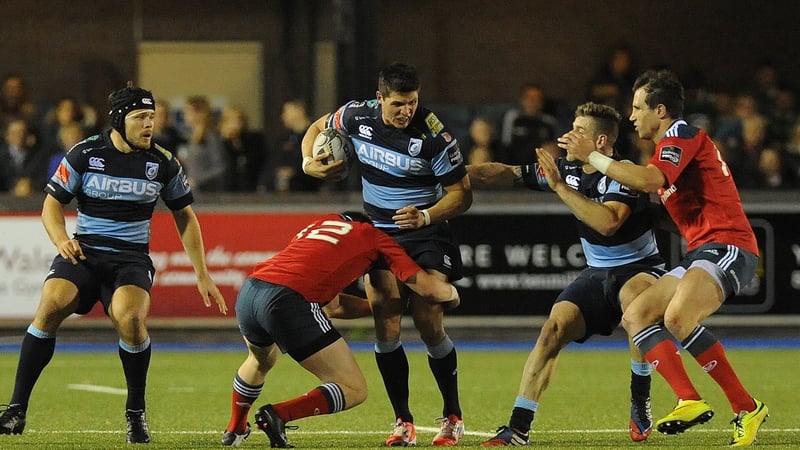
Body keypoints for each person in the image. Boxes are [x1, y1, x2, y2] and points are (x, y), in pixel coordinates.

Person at [0, 83, 228, 444]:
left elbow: (185, 216)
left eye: (151, 117)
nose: (149, 124)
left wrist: (202, 273)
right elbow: (51, 205)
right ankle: (15, 409)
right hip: (85, 253)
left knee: (132, 319)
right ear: (120, 120)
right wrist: (62, 240)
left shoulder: (163, 162)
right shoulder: (85, 153)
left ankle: (135, 413)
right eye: (140, 117)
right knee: (50, 305)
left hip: (130, 259)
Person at [560, 69, 769, 447]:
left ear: (661, 110)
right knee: (636, 315)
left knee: (676, 317)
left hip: (729, 247)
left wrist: (591, 154)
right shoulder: (665, 149)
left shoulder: (681, 134)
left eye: (638, 107)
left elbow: (651, 180)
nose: (631, 116)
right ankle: (698, 400)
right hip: (702, 251)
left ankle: (737, 406)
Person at [467, 102, 665, 446]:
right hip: (598, 273)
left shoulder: (624, 171)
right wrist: (449, 171)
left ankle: (639, 399)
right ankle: (519, 427)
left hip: (641, 269)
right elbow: (505, 172)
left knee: (636, 304)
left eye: (578, 131)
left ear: (601, 141)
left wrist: (560, 188)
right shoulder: (566, 169)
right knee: (553, 329)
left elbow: (608, 223)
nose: (567, 137)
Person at [301, 61, 472, 447]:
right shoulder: (355, 115)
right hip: (377, 234)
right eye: (397, 103)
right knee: (387, 323)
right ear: (380, 99)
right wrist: (308, 162)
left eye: (412, 102)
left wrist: (425, 214)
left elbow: (463, 194)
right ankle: (403, 422)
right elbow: (316, 128)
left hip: (425, 233)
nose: (406, 111)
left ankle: (452, 415)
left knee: (429, 321)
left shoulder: (435, 137)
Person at [221, 211, 461, 448]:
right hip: (287, 301)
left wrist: (377, 307)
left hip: (251, 292)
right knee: (354, 388)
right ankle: (279, 414)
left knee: (259, 361)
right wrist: (453, 293)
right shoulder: (375, 235)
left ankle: (235, 428)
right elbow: (432, 291)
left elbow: (335, 305)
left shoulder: (318, 225)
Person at [499, 82, 560, 165]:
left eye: (537, 98)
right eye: (529, 98)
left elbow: (555, 146)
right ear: (522, 100)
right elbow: (505, 145)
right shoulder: (512, 117)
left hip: (539, 165)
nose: (533, 102)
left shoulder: (549, 121)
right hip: (515, 163)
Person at [177, 95, 228, 192]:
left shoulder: (210, 137)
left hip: (208, 192)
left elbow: (220, 167)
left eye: (188, 112)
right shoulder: (190, 137)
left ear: (199, 114)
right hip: (192, 191)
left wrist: (197, 180)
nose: (184, 116)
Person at [271, 99, 321, 192]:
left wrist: (296, 172)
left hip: (313, 192)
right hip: (287, 194)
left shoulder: (318, 134)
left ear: (299, 111)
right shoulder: (283, 139)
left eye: (286, 112)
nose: (283, 116)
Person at [218, 105, 268, 192]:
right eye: (231, 121)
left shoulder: (254, 139)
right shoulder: (220, 142)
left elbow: (259, 161)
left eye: (238, 121)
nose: (235, 125)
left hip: (251, 184)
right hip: (228, 187)